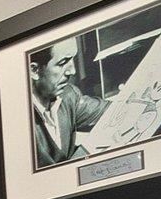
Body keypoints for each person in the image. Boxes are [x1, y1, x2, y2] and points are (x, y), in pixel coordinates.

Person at [30, 36, 108, 167]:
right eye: (62, 63)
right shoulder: (19, 123)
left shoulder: (69, 95)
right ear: (34, 71)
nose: (73, 71)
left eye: (73, 59)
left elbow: (111, 110)